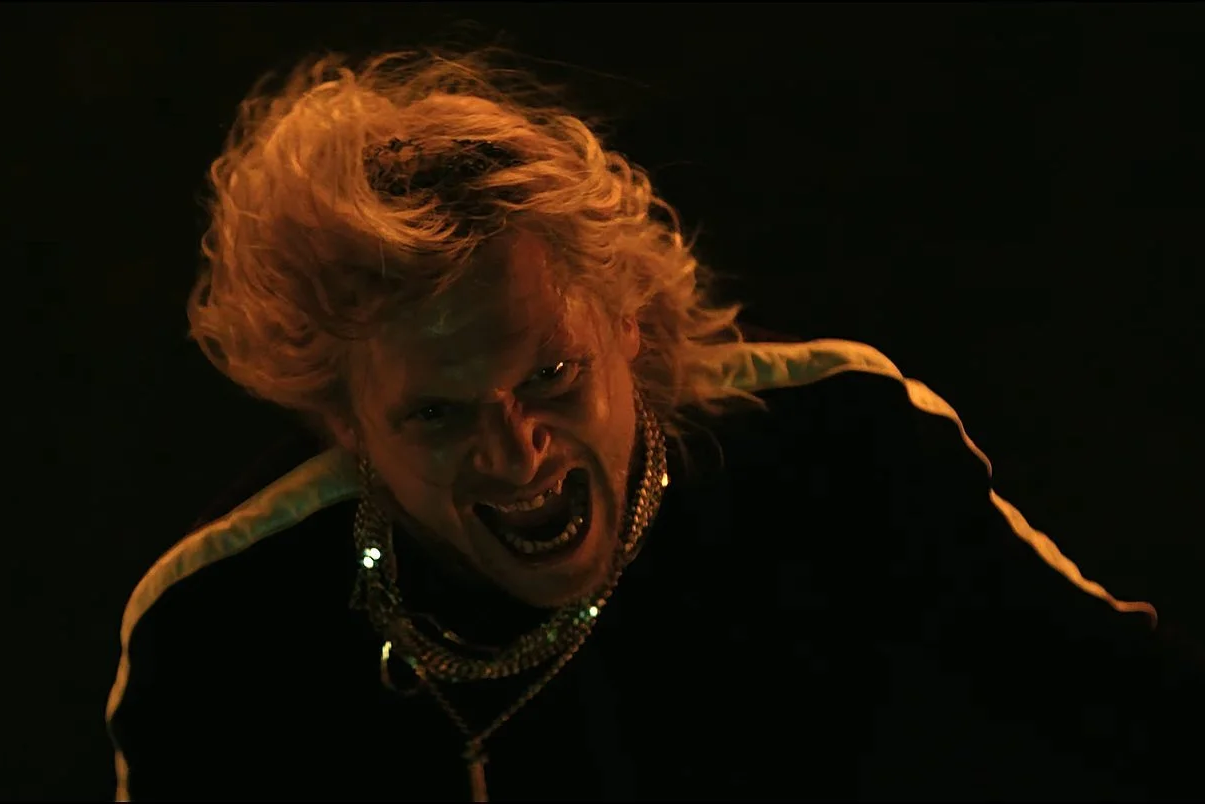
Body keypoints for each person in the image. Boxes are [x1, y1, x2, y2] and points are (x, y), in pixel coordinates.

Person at [105, 49, 1205, 802]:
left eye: (549, 376)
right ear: (344, 422)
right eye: (437, 413)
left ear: (627, 321)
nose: (515, 451)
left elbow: (1140, 721)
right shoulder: (221, 634)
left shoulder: (840, 445)